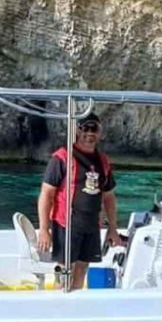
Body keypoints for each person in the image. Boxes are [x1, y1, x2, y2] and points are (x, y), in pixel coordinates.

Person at [36, 114, 122, 290]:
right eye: (85, 128)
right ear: (77, 131)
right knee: (64, 270)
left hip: (91, 225)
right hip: (66, 225)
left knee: (83, 267)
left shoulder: (103, 162)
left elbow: (109, 197)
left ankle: (75, 303)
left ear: (100, 133)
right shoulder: (62, 158)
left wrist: (113, 228)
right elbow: (46, 194)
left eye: (94, 129)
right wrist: (44, 229)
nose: (89, 133)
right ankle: (59, 304)